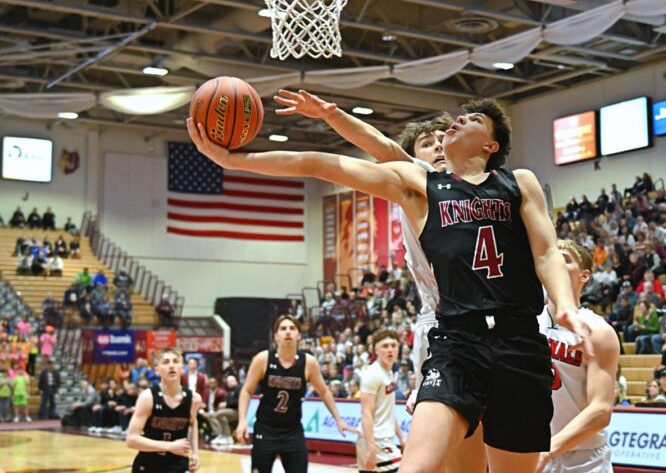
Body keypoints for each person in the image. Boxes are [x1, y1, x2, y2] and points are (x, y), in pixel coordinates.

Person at [191, 96, 592, 473]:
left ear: (491, 144)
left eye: (473, 119)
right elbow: (319, 163)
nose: (457, 122)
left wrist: (564, 306)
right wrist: (235, 161)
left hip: (518, 339)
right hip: (455, 337)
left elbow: (545, 253)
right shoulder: (421, 184)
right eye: (442, 130)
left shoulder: (518, 182)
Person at [275, 89, 487, 472]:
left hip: (497, 328)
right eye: (426, 143)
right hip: (447, 330)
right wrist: (333, 116)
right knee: (442, 460)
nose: (438, 146)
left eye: (443, 139)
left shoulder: (486, 188)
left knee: (483, 455)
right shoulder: (418, 182)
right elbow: (384, 146)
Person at [537, 239, 619, 473]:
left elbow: (601, 411)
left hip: (584, 460)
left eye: (564, 259)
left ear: (584, 276)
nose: (556, 266)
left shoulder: (598, 331)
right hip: (533, 451)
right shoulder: (526, 323)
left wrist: (550, 449)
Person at [235, 315, 356, 473]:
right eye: (283, 329)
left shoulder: (309, 362)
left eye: (292, 329)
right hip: (266, 430)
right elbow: (246, 391)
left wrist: (338, 419)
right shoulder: (263, 359)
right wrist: (242, 420)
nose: (288, 332)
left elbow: (324, 392)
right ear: (276, 336)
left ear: (299, 335)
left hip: (292, 431)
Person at [126, 347, 202, 473]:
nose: (171, 366)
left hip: (177, 465)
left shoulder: (194, 399)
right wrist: (170, 446)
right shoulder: (148, 397)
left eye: (176, 361)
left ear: (182, 368)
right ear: (157, 370)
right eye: (166, 362)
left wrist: (195, 453)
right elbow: (132, 440)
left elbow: (193, 423)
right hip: (148, 465)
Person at [358, 329, 407, 473]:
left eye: (393, 345)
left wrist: (401, 437)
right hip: (376, 440)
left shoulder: (389, 372)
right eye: (385, 346)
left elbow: (389, 411)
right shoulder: (372, 374)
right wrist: (371, 447)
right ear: (375, 350)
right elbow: (366, 412)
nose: (390, 350)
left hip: (381, 439)